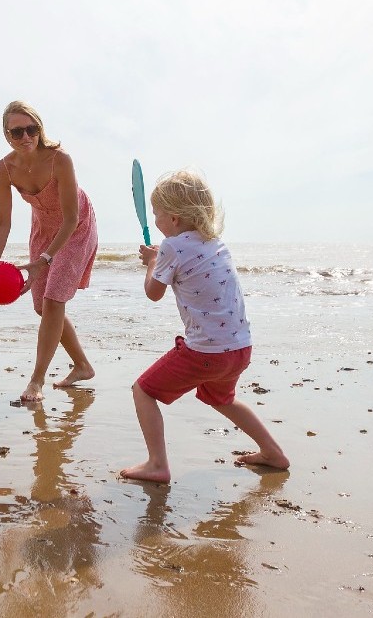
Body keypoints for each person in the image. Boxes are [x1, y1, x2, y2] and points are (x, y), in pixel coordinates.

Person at [120, 170, 289, 483]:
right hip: (240, 347)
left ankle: (157, 464)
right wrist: (159, 260)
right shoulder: (215, 242)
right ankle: (272, 452)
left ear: (173, 218)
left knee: (143, 390)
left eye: (156, 214)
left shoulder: (171, 247)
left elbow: (153, 293)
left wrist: (154, 263)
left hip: (206, 352)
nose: (154, 219)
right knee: (221, 397)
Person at [0, 101, 98, 402]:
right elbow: (2, 221)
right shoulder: (4, 169)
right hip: (42, 228)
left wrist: (44, 261)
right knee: (43, 307)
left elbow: (72, 217)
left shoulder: (59, 160)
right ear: (7, 135)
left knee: (53, 300)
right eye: (17, 132)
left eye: (31, 129)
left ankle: (36, 381)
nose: (26, 137)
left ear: (39, 129)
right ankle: (83, 366)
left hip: (75, 227)